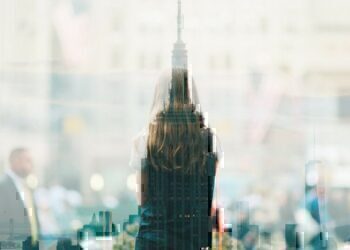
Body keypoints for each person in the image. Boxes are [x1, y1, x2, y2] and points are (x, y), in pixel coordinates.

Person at [130, 69, 223, 249]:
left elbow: (143, 199)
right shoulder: (211, 140)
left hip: (152, 241)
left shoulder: (144, 140)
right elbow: (208, 198)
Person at [0, 148, 40, 245]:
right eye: (28, 160)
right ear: (15, 161)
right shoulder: (2, 186)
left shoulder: (26, 186)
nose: (32, 165)